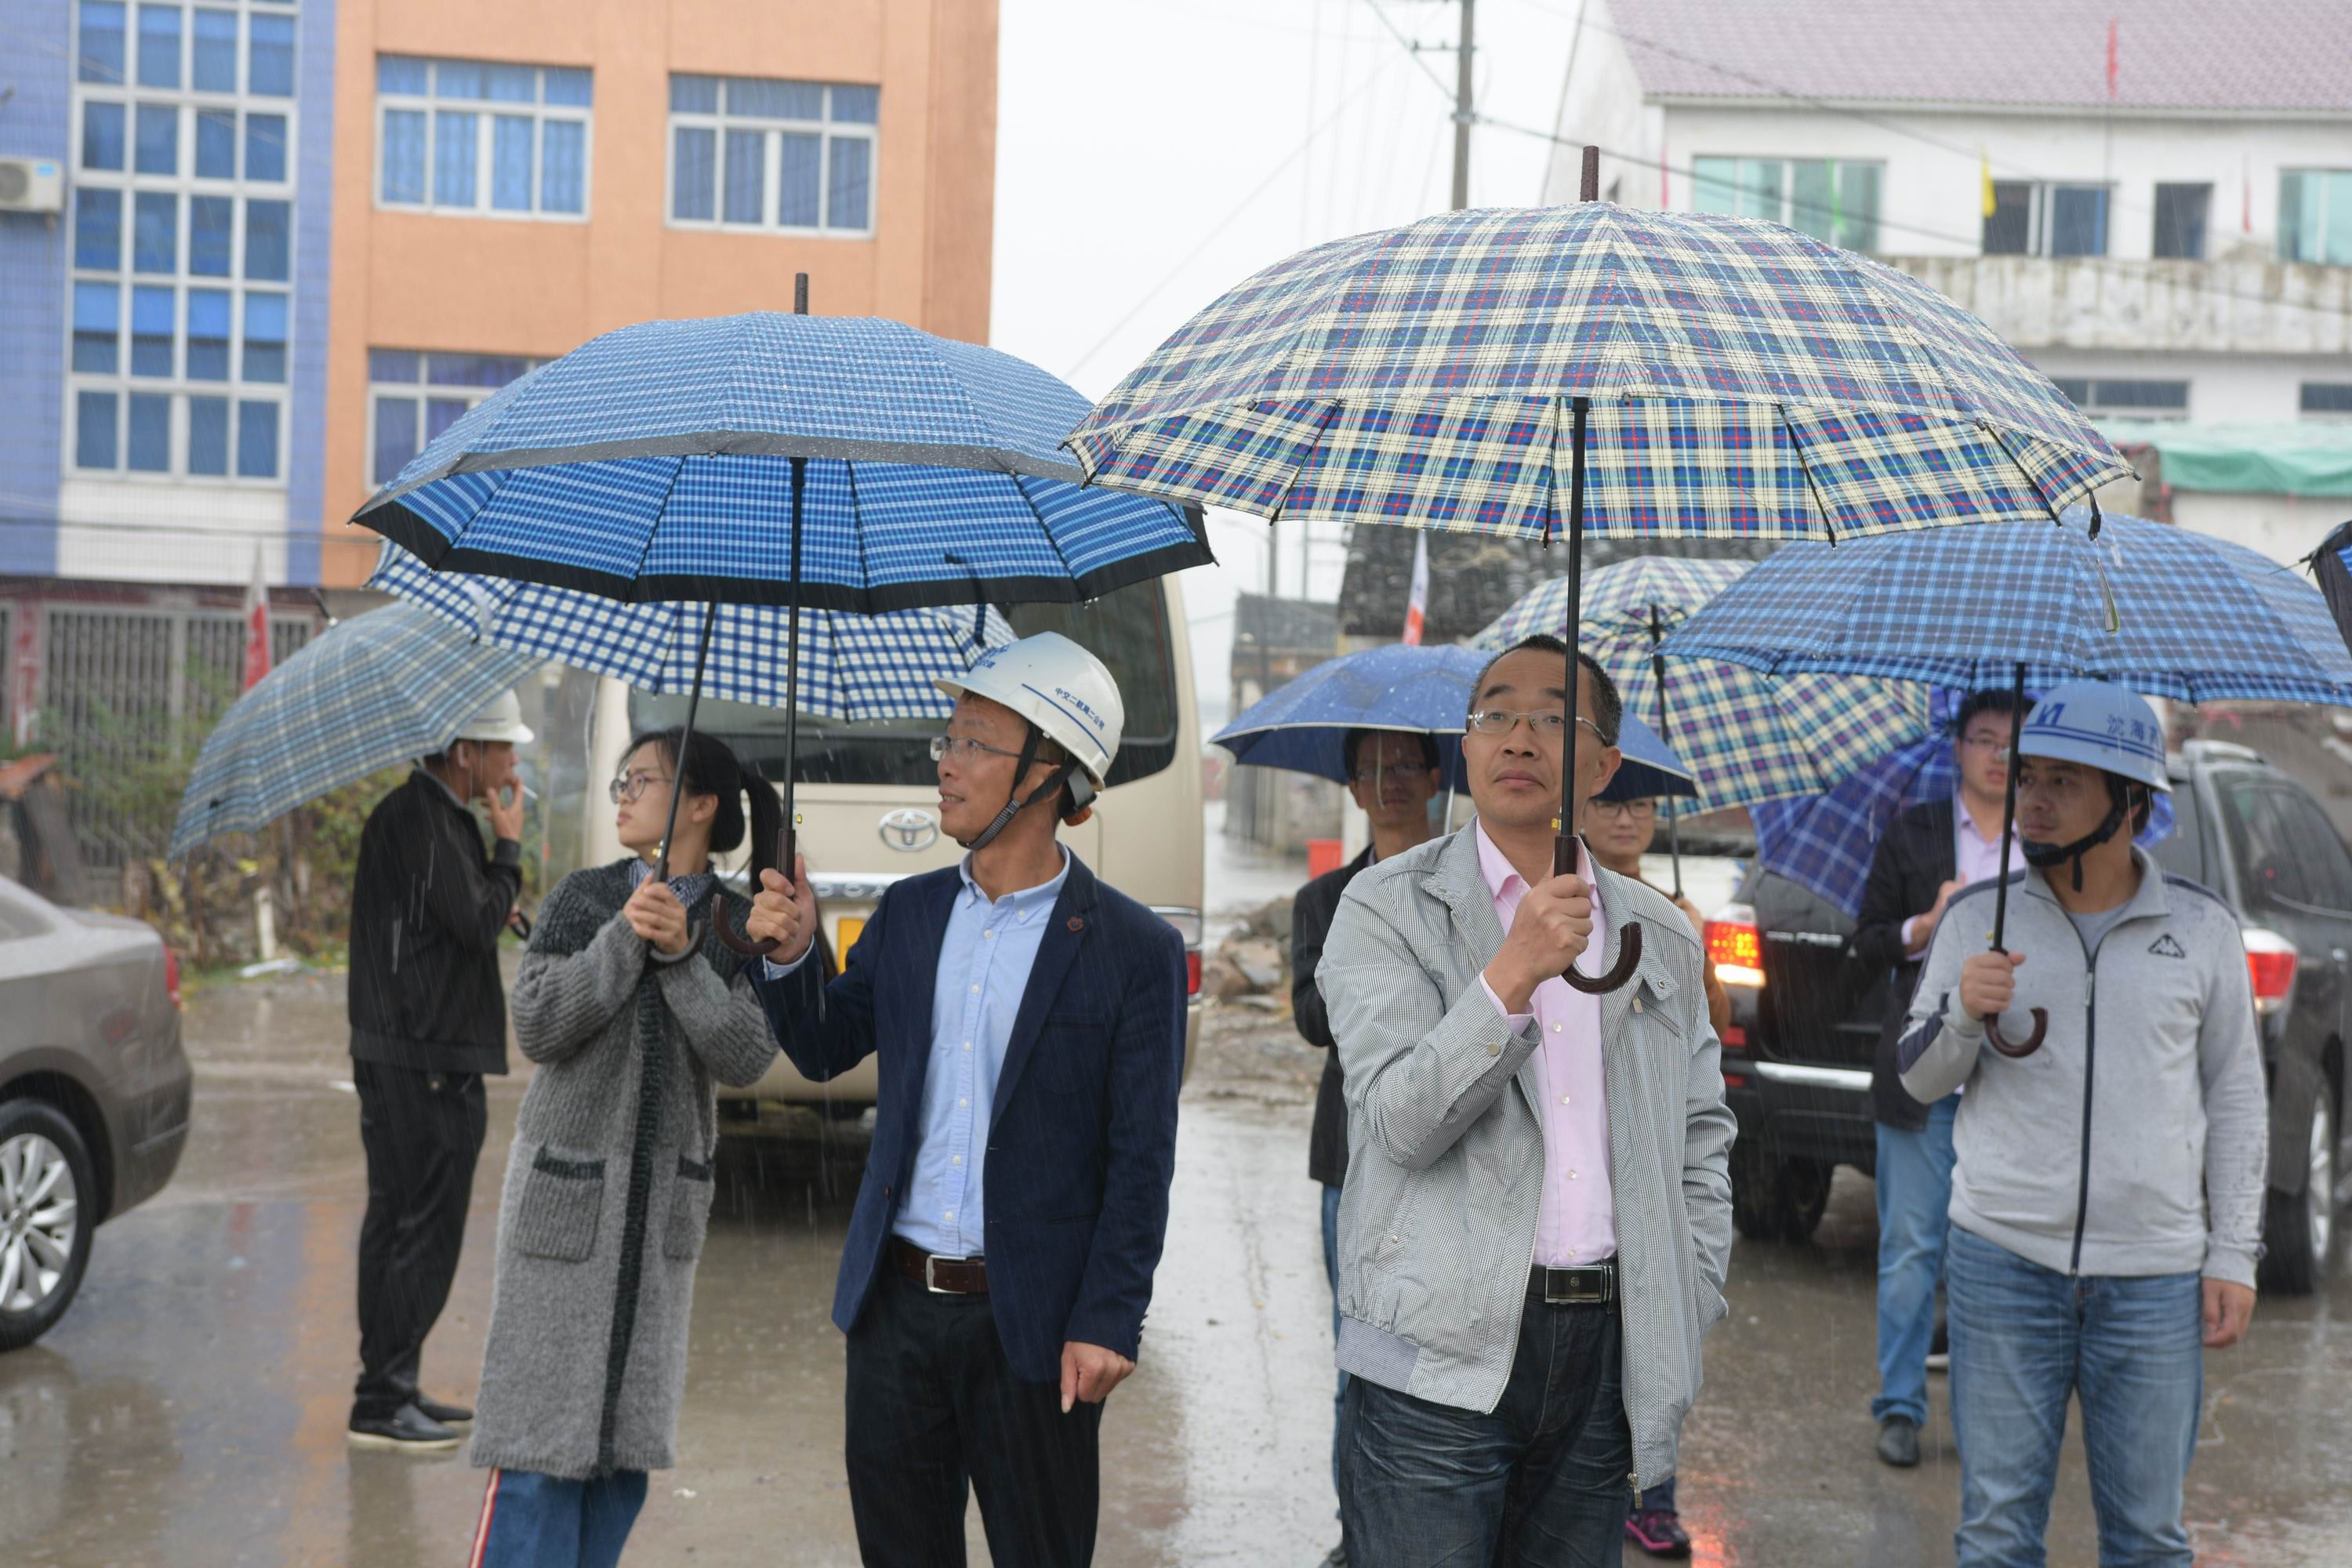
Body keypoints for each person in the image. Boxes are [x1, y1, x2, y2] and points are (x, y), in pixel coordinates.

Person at [744, 632, 1188, 1568]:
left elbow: (1140, 1157)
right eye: (948, 738)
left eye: (975, 742)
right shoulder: (911, 913)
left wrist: (1109, 1317)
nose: (945, 762)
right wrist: (793, 952)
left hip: (1034, 1323)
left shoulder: (1132, 949)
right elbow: (823, 1046)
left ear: (1049, 772)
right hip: (894, 1313)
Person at [1318, 633, 1736, 1566]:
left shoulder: (1661, 936)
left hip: (1605, 1361)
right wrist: (1512, 970)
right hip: (1429, 1358)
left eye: (1554, 717)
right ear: (1466, 745)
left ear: (1604, 763)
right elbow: (1399, 1122)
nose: (1518, 736)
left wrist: (1688, 1286)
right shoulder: (1386, 906)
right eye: (1496, 713)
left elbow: (1702, 1135)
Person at [1899, 681, 2264, 1568]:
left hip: (2154, 1276)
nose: (2032, 798)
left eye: (2064, 782)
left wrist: (2233, 1253)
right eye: (2028, 776)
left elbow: (2237, 1096)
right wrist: (1964, 1014)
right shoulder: (1978, 919)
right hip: (2001, 1261)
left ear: (2131, 803)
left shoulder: (2203, 930)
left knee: (2147, 1538)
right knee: (1995, 1534)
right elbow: (1916, 1079)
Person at [465, 727, 781, 1566]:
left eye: (642, 780)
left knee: (620, 1461)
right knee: (538, 1452)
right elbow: (539, 1024)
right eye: (622, 780)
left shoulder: (735, 923)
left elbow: (746, 1056)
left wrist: (681, 956)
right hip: (563, 1212)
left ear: (701, 804)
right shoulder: (585, 897)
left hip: (661, 1220)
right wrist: (624, 937)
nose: (623, 794)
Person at [344, 688, 532, 1451]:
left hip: (407, 1050)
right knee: (422, 1227)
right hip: (422, 1055)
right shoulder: (423, 820)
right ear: (465, 753)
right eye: (503, 747)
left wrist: (493, 876)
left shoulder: (428, 817)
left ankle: (389, 1386)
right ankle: (382, 1401)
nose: (512, 762)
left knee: (399, 1221)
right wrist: (509, 847)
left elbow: (458, 914)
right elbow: (477, 920)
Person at [1850, 688, 2024, 1469]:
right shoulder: (1915, 829)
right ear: (1958, 747)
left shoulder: (2044, 843)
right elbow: (1865, 941)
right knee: (1910, 1252)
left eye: (2014, 744)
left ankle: (1987, 1414)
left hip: (2012, 1087)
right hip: (1920, 1080)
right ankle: (1900, 1405)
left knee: (1992, 1258)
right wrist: (1927, 925)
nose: (1998, 756)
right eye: (1984, 738)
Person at [1290, 728, 1441, 1568]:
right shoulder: (1325, 899)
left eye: (1405, 764)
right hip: (1355, 1168)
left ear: (1435, 776)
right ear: (1352, 788)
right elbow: (1315, 1021)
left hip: (1456, 1162)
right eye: (1372, 769)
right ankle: (1361, 1538)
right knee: (1366, 1357)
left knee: (1449, 1359)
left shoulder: (1472, 891)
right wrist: (1376, 937)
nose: (1390, 781)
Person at [1584, 786, 1727, 1561]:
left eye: (1642, 806)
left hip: (1658, 1161)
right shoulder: (1565, 906)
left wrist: (1695, 954)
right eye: (1611, 804)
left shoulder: (1673, 918)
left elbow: (1713, 1032)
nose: (1626, 818)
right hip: (1591, 1168)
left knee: (1659, 1339)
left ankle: (1656, 1494)